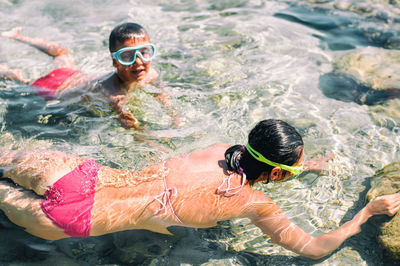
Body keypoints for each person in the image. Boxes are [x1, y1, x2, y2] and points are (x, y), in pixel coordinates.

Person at [0, 118, 399, 259]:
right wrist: (366, 213)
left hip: (74, 174)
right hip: (71, 220)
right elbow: (312, 248)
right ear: (276, 175)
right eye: (291, 170)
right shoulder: (255, 204)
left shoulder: (216, 150)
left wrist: (303, 165)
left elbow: (251, 159)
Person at [0, 23, 175, 129]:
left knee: (62, 53)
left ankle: (17, 36)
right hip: (55, 89)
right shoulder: (114, 94)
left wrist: (176, 119)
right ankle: (8, 71)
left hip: (74, 75)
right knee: (22, 79)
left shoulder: (151, 74)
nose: (138, 62)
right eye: (127, 56)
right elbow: (132, 127)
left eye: (144, 52)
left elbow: (161, 94)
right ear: (115, 62)